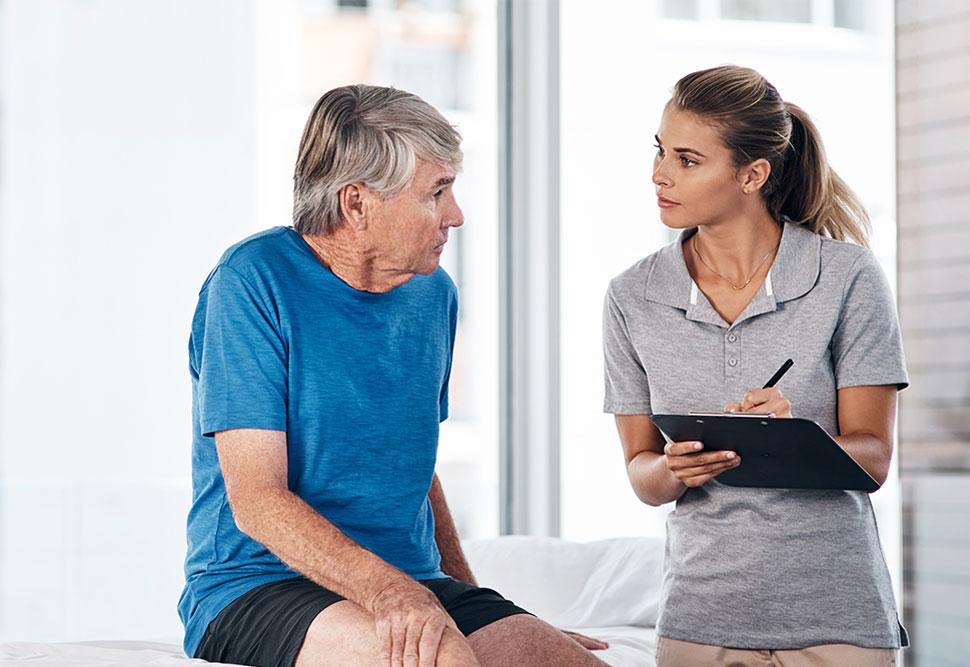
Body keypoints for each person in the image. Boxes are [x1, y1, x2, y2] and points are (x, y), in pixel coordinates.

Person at [179, 84, 607, 667]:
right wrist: (392, 594)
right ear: (357, 203)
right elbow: (257, 499)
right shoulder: (252, 282)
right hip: (256, 586)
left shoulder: (434, 295)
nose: (456, 215)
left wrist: (488, 607)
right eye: (436, 192)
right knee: (443, 660)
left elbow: (413, 466)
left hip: (406, 580)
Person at [603, 65, 909, 667]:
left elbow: (873, 460)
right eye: (660, 151)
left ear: (752, 174)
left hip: (839, 621)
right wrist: (673, 468)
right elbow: (642, 475)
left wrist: (798, 438)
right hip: (700, 621)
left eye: (687, 160)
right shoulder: (631, 296)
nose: (659, 174)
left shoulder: (848, 278)